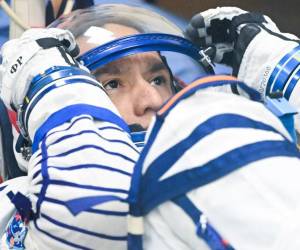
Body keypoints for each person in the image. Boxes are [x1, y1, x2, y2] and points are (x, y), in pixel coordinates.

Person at [0, 3, 300, 250]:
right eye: (111, 84)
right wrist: (56, 84)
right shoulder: (24, 207)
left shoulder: (230, 184)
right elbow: (95, 208)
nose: (152, 99)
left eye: (158, 79)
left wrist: (280, 68)